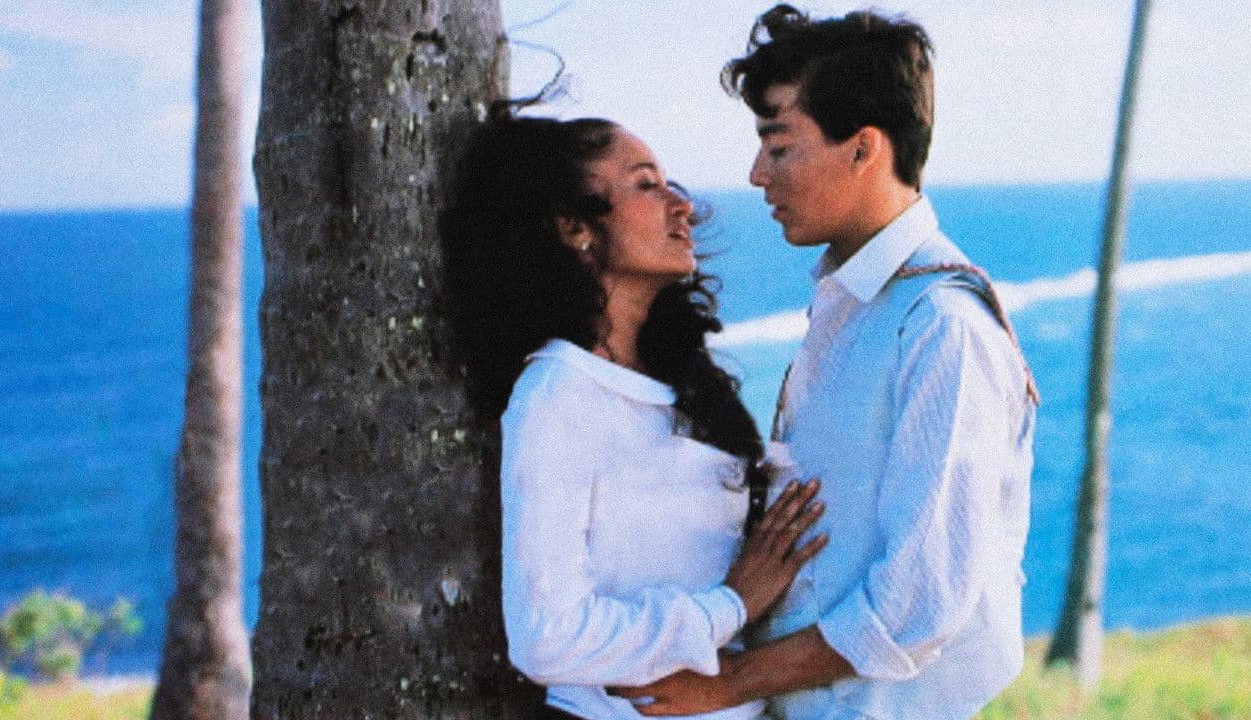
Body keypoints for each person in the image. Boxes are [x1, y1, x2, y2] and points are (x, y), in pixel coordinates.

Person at [608, 5, 1039, 720]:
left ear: (864, 149)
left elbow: (919, 602)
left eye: (779, 147)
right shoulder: (856, 305)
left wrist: (731, 681)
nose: (756, 174)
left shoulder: (942, 327)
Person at [438, 110, 828, 720]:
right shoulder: (558, 395)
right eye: (646, 184)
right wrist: (729, 607)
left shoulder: (681, 383)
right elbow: (546, 638)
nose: (682, 206)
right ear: (576, 228)